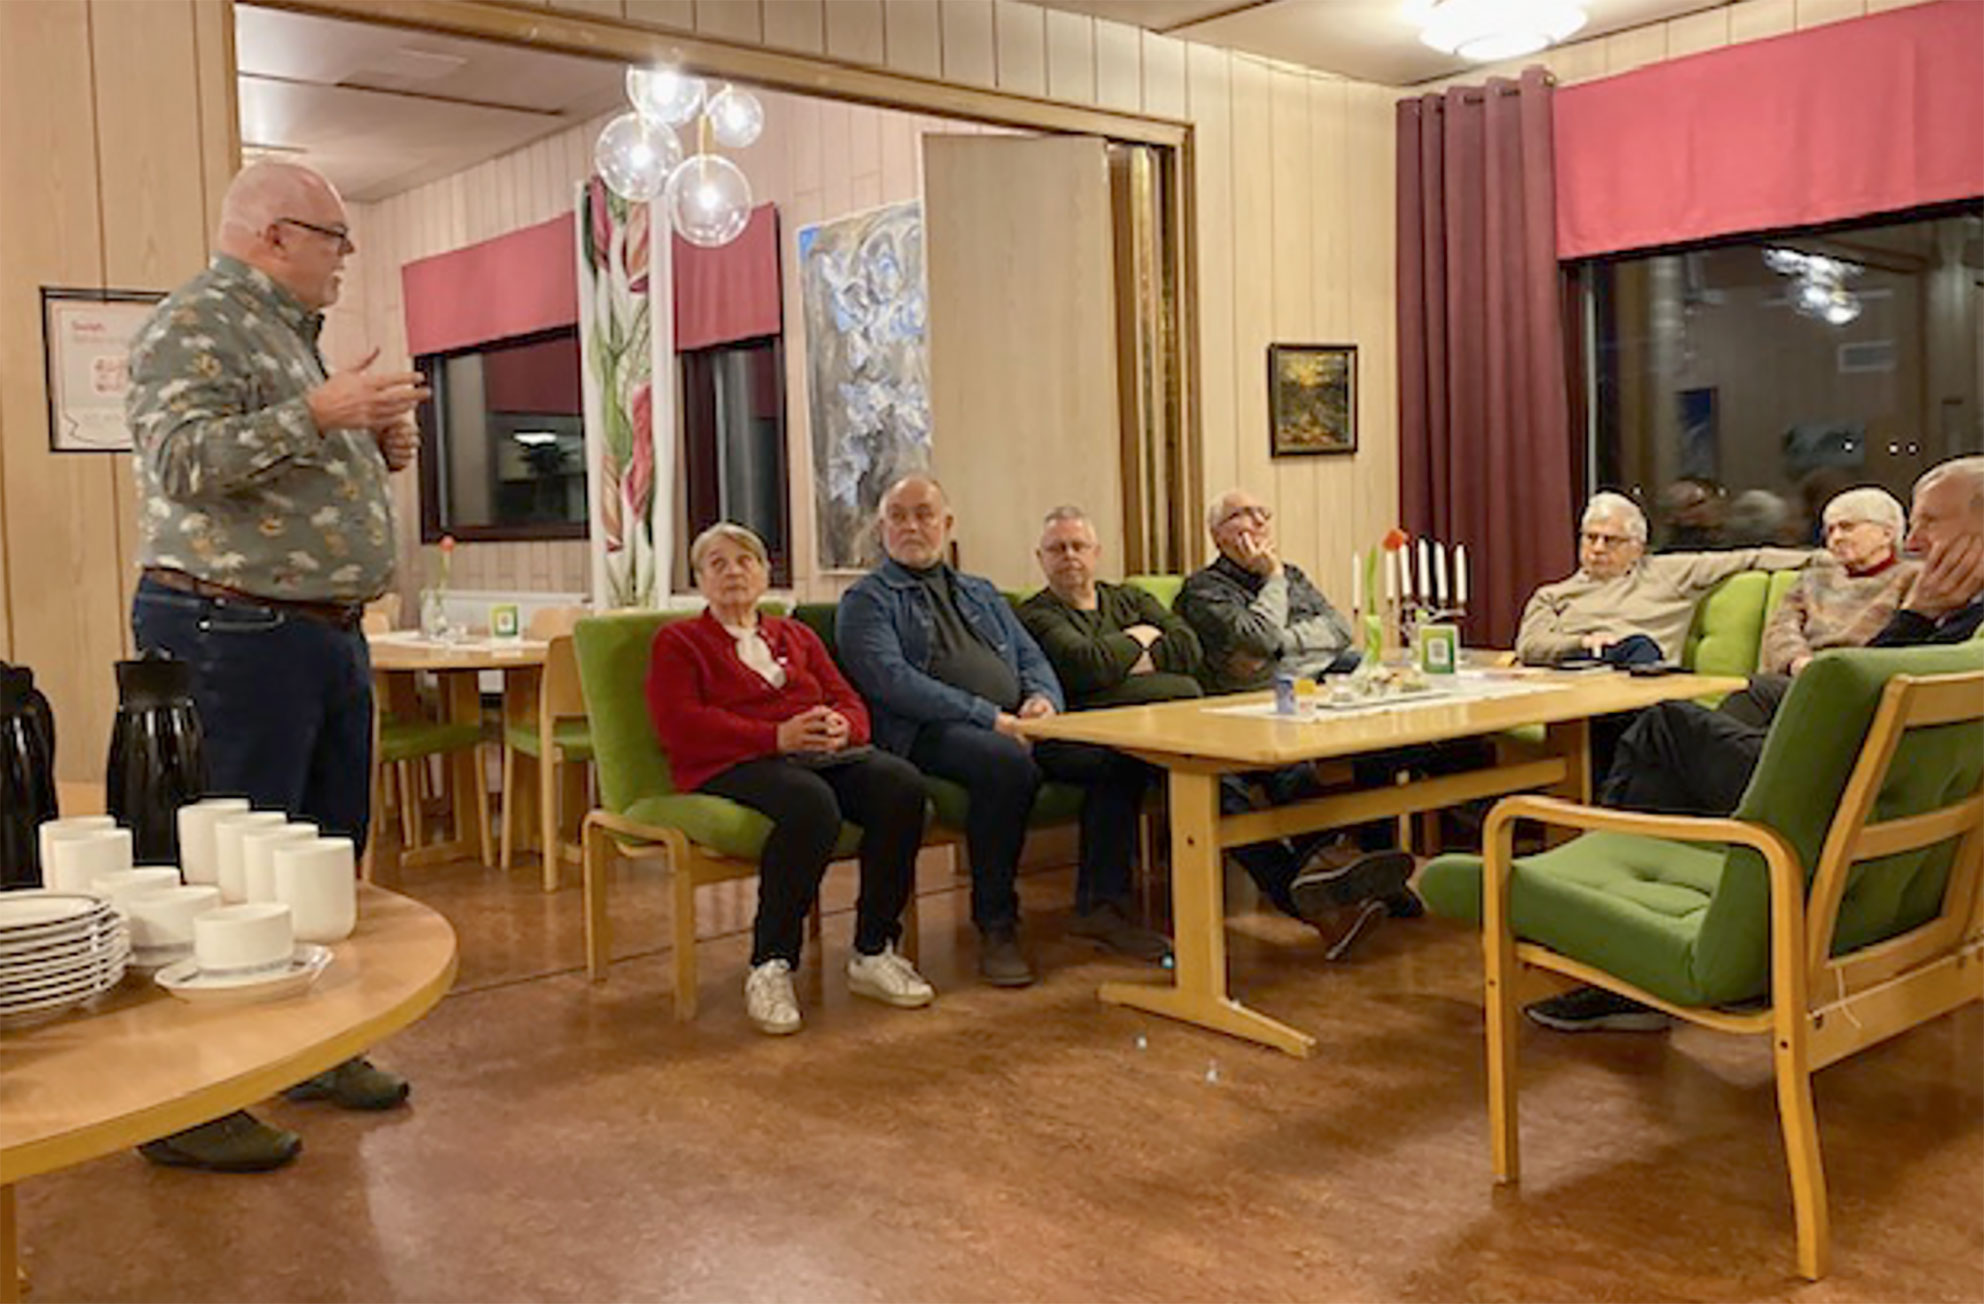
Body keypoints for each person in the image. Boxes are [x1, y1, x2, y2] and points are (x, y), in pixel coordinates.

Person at [125, 161, 427, 1171]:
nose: (346, 257)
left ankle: (310, 1047)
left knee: (322, 859)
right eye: (336, 237)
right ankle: (191, 1097)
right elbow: (180, 459)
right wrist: (324, 416)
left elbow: (279, 464)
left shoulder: (291, 338)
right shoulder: (193, 322)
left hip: (317, 630)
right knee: (224, 869)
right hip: (232, 628)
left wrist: (372, 445)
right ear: (274, 234)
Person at [1530, 457, 1984, 1034]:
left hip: (1829, 813)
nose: (1913, 542)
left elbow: (1865, 692)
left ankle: (1624, 961)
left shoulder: (1935, 613)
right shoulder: (1963, 624)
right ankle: (1709, 873)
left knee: (1666, 726)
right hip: (1866, 798)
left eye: (1929, 523)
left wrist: (1915, 615)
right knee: (1753, 698)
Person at [837, 475, 1163, 984]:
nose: (911, 526)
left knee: (1115, 757)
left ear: (947, 524)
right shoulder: (866, 600)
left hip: (1012, 721)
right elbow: (892, 682)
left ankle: (1103, 907)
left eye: (923, 514)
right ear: (882, 529)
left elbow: (1032, 658)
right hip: (925, 732)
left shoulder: (980, 592)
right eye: (897, 517)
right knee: (1004, 763)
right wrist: (989, 717)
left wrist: (1043, 701)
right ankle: (997, 924)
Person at [646, 524, 935, 1036]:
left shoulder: (797, 635)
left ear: (765, 574)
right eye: (717, 564)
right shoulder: (680, 642)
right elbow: (681, 724)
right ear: (699, 581)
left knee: (901, 785)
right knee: (811, 805)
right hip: (731, 761)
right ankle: (771, 963)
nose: (733, 572)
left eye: (745, 561)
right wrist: (775, 736)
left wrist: (843, 727)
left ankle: (874, 949)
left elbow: (848, 699)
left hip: (816, 754)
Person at [1174, 489, 1417, 950]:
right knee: (1271, 780)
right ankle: (1318, 898)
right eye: (1241, 515)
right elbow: (1258, 638)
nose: (1256, 522)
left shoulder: (1294, 575)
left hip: (1298, 701)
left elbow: (1338, 629)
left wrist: (1281, 649)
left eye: (1261, 513)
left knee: (1377, 742)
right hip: (1234, 716)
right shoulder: (1204, 590)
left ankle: (1365, 873)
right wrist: (1272, 582)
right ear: (1217, 535)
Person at [1016, 506, 1196, 957]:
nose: (1069, 556)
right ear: (1040, 558)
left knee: (1197, 760)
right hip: (1065, 736)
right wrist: (1141, 640)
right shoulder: (1035, 614)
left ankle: (1207, 891)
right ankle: (1102, 909)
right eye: (1057, 549)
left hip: (1148, 732)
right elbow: (1085, 667)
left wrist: (1112, 671)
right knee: (1118, 762)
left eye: (1078, 546)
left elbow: (1188, 652)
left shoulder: (1130, 599)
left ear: (1096, 553)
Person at [1516, 491, 1816, 668]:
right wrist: (1583, 642)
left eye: (1611, 540)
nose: (1597, 548)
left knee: (1639, 648)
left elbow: (1751, 557)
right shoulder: (1553, 596)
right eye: (1590, 538)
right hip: (1580, 684)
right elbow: (1529, 645)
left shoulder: (1669, 572)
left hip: (1644, 688)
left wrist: (1827, 558)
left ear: (1637, 547)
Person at [1757, 485, 1917, 678]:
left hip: (1865, 674)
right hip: (1804, 673)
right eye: (1830, 531)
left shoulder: (1912, 578)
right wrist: (1798, 662)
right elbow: (1781, 628)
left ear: (1887, 534)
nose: (1836, 538)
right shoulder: (1812, 579)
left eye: (1847, 527)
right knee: (1755, 688)